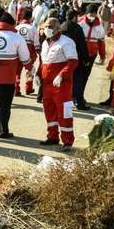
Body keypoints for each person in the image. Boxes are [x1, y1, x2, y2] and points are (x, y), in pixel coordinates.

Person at [37, 18, 78, 151]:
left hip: (62, 85)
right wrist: (38, 75)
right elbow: (44, 62)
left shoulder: (66, 42)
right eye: (46, 26)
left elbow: (73, 62)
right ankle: (52, 137)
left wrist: (61, 75)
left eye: (50, 26)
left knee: (64, 112)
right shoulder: (45, 43)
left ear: (57, 28)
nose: (47, 29)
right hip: (47, 84)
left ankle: (67, 141)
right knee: (49, 111)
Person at [74, 5, 106, 110]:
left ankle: (80, 96)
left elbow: (101, 42)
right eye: (90, 13)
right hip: (79, 54)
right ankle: (75, 96)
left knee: (85, 76)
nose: (92, 15)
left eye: (94, 13)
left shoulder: (99, 26)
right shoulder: (80, 23)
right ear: (86, 13)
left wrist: (102, 55)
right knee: (77, 76)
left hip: (91, 55)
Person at [60, 9, 90, 104]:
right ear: (74, 17)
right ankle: (78, 101)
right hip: (75, 57)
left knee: (63, 79)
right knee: (77, 80)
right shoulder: (77, 28)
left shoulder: (61, 26)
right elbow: (82, 44)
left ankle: (63, 100)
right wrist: (86, 58)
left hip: (62, 58)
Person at [15, 8, 40, 96]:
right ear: (30, 17)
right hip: (29, 51)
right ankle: (28, 88)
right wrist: (38, 52)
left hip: (17, 51)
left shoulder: (17, 27)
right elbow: (36, 43)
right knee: (29, 70)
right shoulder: (33, 28)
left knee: (17, 71)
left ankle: (16, 89)